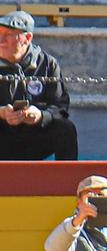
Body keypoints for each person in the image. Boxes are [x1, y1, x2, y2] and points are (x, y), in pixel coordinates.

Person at [0, 10, 78, 161]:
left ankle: (67, 181)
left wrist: (40, 116)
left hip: (33, 136)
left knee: (66, 128)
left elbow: (60, 108)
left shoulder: (47, 64)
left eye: (8, 35)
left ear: (27, 38)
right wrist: (2, 113)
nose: (1, 40)